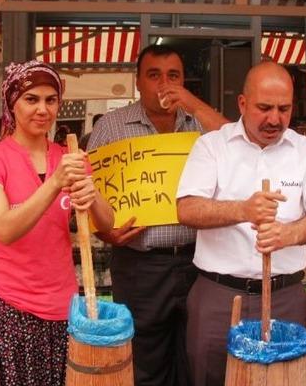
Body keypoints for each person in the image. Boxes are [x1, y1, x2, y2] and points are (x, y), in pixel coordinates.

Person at [176, 61, 306, 386]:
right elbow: (187, 209)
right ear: (242, 103)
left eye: (284, 108)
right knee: (210, 378)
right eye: (264, 108)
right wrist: (244, 210)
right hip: (219, 296)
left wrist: (288, 233)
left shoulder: (305, 151)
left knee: (282, 381)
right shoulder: (212, 146)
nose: (274, 119)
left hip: (285, 296)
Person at [0, 60, 115, 385]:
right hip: (8, 309)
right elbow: (5, 229)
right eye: (31, 99)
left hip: (63, 308)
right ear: (12, 104)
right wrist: (54, 183)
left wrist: (93, 196)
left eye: (51, 100)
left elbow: (107, 225)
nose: (42, 109)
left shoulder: (72, 157)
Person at [87, 44, 228, 386]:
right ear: (137, 81)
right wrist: (105, 234)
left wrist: (192, 103)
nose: (164, 84)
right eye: (154, 75)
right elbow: (90, 194)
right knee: (143, 362)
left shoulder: (202, 123)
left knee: (199, 358)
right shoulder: (111, 126)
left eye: (173, 76)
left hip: (202, 262)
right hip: (140, 266)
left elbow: (237, 145)